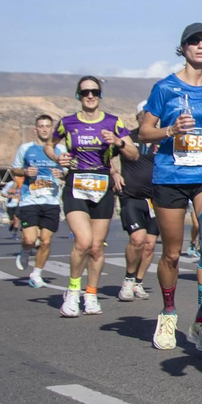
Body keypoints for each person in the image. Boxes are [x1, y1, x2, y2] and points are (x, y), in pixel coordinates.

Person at [137, 23, 202, 353]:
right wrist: (170, 129)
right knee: (173, 254)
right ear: (183, 48)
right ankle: (168, 313)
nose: (201, 46)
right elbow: (143, 132)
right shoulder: (165, 88)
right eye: (194, 42)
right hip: (171, 177)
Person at [54, 77, 131, 317]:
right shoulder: (67, 122)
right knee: (84, 241)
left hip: (102, 185)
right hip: (76, 184)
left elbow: (134, 153)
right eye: (85, 92)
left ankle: (91, 293)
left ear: (100, 95)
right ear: (78, 95)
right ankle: (73, 290)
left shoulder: (113, 121)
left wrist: (118, 142)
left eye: (94, 92)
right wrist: (57, 157)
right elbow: (49, 145)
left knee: (97, 248)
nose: (90, 96)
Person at [13, 114, 65, 287]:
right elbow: (15, 169)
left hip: (51, 200)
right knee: (29, 239)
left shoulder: (61, 149)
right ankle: (25, 250)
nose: (44, 129)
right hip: (30, 200)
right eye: (41, 126)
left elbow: (69, 170)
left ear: (52, 129)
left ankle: (36, 274)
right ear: (35, 129)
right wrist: (26, 172)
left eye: (47, 126)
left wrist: (62, 173)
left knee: (46, 240)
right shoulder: (25, 149)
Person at [118, 107, 158, 302]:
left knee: (149, 245)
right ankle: (128, 278)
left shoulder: (162, 139)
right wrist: (114, 173)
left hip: (156, 199)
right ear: (138, 117)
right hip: (131, 196)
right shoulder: (128, 137)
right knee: (137, 239)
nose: (148, 118)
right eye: (144, 115)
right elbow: (106, 155)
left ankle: (138, 282)